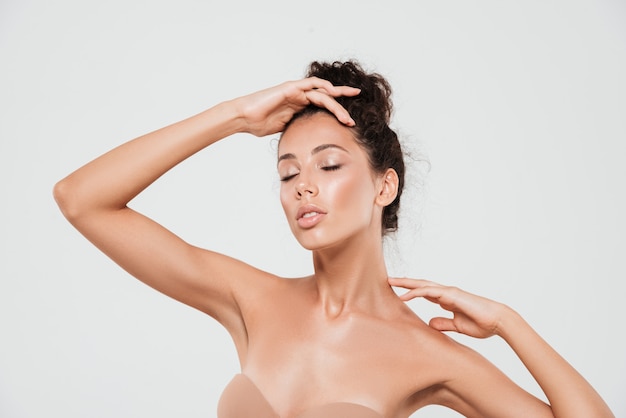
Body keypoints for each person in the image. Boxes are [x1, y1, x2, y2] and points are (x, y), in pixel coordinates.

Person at [53, 60, 614, 418]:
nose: (303, 188)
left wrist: (508, 323)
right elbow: (81, 199)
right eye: (288, 172)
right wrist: (235, 118)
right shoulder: (251, 300)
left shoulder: (429, 356)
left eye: (328, 166)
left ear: (383, 185)